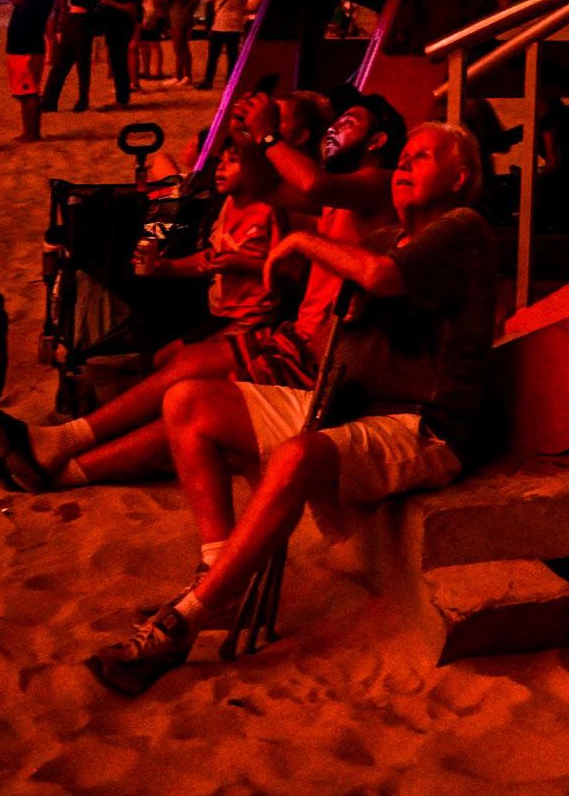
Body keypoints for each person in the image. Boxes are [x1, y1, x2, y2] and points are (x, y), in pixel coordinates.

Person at [87, 123, 496, 695]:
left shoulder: (463, 229)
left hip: (424, 427)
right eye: (403, 156)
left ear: (459, 178)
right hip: (351, 410)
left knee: (297, 453)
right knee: (190, 402)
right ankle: (216, 570)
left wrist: (302, 242)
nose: (404, 165)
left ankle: (186, 622)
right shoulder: (383, 240)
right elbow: (346, 323)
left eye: (421, 157)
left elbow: (381, 278)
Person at [0, 91, 299, 490]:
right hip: (239, 320)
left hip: (265, 330)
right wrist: (165, 267)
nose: (229, 158)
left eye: (276, 128)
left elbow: (286, 266)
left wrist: (247, 262)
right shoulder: (246, 202)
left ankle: (61, 459)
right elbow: (211, 253)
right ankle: (60, 449)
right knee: (168, 364)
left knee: (188, 393)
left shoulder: (293, 205)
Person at [5, 0, 53, 142]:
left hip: (29, 47)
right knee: (23, 94)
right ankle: (28, 132)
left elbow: (18, 0)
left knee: (30, 93)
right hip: (18, 46)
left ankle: (33, 133)